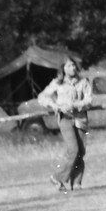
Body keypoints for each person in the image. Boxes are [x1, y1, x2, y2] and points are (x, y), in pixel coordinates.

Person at [37, 57, 92, 191]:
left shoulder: (83, 82)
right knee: (73, 149)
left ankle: (77, 183)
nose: (72, 68)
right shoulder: (57, 83)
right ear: (63, 69)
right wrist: (54, 105)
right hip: (65, 119)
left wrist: (75, 105)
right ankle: (57, 177)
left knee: (81, 151)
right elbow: (42, 97)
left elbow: (89, 100)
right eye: (68, 66)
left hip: (80, 119)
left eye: (73, 65)